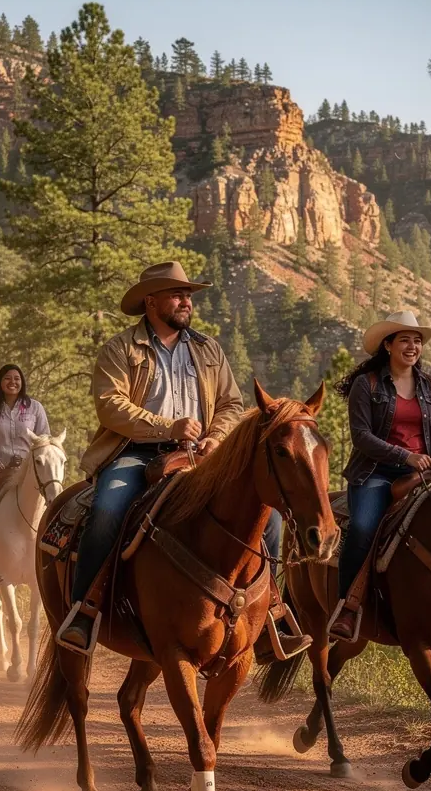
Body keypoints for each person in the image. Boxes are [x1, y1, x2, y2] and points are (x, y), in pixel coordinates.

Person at [56, 261, 306, 658]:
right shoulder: (121, 349)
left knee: (269, 516)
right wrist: (166, 427)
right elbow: (110, 404)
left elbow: (231, 404)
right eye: (177, 295)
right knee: (107, 509)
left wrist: (216, 438)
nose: (186, 301)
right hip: (135, 452)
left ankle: (268, 617)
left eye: (188, 295)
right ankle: (85, 610)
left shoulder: (208, 349)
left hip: (203, 454)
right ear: (150, 302)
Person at [328, 311, 431, 641]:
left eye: (417, 341)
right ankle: (347, 607)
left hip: (425, 473)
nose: (412, 346)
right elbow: (362, 437)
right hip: (375, 472)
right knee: (362, 528)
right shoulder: (367, 385)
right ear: (388, 345)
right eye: (405, 340)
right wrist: (405, 456)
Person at [0, 364, 50, 504]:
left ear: (22, 382)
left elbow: (44, 440)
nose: (12, 382)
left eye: (17, 378)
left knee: (53, 498)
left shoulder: (35, 408)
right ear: (0, 382)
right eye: (7, 378)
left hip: (28, 471)